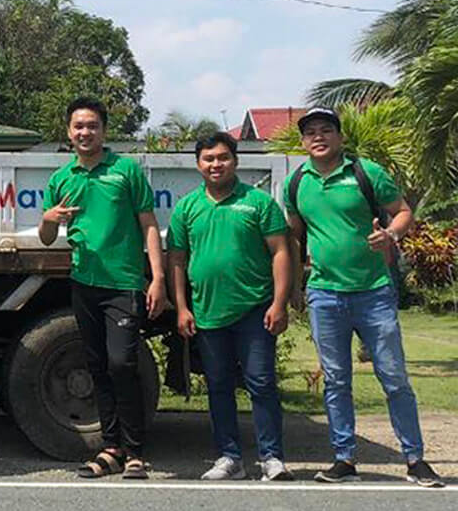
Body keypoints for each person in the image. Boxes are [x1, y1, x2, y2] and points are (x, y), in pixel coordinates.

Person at [285, 107, 444, 488]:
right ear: (304, 142)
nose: (318, 137)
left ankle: (415, 459)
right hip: (324, 294)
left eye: (326, 130)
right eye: (310, 133)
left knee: (393, 378)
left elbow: (403, 212)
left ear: (340, 138)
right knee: (336, 381)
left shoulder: (365, 172)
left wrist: (390, 235)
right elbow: (293, 236)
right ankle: (344, 459)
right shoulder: (296, 183)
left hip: (373, 292)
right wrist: (294, 287)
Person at [38, 97, 167, 480]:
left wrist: (156, 277)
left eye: (92, 125)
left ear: (104, 131)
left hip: (123, 284)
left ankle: (136, 452)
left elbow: (148, 225)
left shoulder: (125, 170)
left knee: (122, 364)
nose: (85, 132)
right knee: (96, 366)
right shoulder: (61, 179)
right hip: (84, 284)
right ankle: (111, 449)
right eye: (78, 126)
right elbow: (47, 238)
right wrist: (48, 219)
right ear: (68, 131)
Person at [168, 132, 293, 481]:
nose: (215, 164)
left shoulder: (258, 202)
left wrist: (279, 303)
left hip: (255, 309)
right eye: (208, 159)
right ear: (198, 164)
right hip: (207, 312)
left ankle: (272, 458)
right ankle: (229, 457)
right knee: (219, 385)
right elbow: (176, 259)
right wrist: (181, 307)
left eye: (223, 157)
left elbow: (281, 251)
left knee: (262, 383)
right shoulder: (187, 207)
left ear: (235, 161)